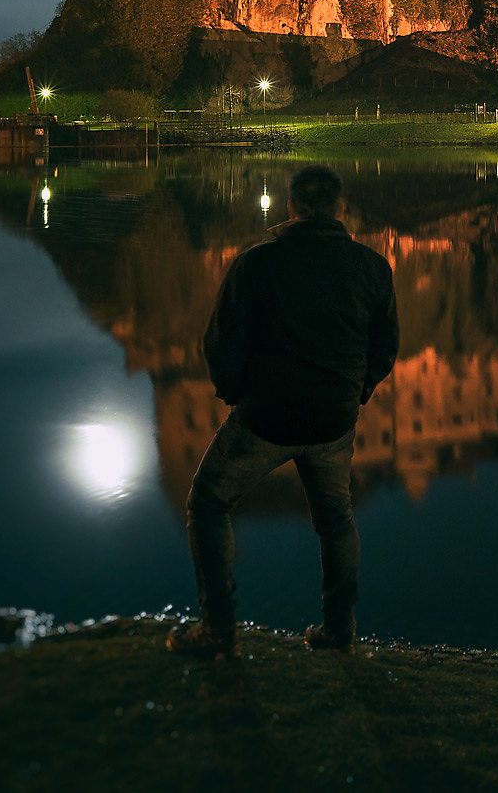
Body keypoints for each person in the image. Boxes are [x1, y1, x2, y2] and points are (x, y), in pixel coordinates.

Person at [168, 164, 398, 659]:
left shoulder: (256, 264)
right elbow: (385, 348)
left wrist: (234, 394)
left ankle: (218, 630)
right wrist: (357, 392)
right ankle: (339, 630)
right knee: (336, 521)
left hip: (266, 415)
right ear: (340, 208)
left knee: (208, 505)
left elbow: (221, 343)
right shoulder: (373, 267)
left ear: (291, 208)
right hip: (333, 417)